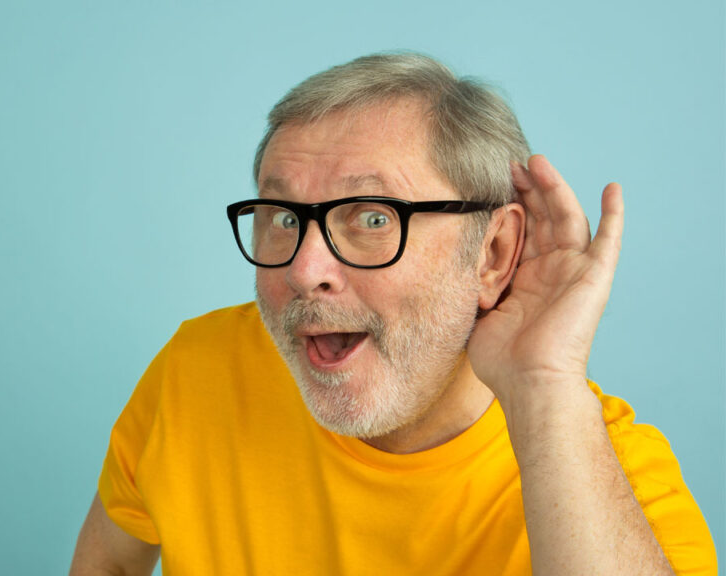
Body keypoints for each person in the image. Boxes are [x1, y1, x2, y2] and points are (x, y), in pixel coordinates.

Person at [69, 53, 717, 575]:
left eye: (373, 217)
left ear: (492, 252)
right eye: (285, 218)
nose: (303, 269)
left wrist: (545, 386)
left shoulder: (611, 476)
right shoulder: (196, 372)